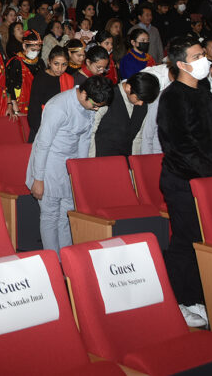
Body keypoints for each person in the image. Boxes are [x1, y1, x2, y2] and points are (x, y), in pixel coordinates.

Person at [158, 35, 212, 328]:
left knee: (207, 241)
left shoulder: (204, 93)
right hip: (182, 180)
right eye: (197, 56)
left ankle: (200, 296)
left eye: (203, 55)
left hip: (209, 179)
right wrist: (211, 172)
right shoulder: (172, 97)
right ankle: (181, 300)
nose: (204, 60)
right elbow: (180, 146)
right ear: (182, 65)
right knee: (186, 239)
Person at [25, 75, 114, 253]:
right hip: (49, 164)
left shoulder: (89, 105)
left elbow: (84, 140)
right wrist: (38, 179)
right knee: (50, 216)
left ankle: (67, 259)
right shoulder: (58, 106)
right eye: (95, 105)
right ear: (84, 94)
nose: (96, 109)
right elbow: (43, 144)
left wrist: (79, 174)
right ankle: (54, 261)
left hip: (70, 165)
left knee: (67, 215)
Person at [91, 72, 160, 157]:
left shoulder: (142, 102)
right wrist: (92, 159)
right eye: (138, 99)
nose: (141, 104)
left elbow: (137, 138)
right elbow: (91, 132)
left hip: (126, 159)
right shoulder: (108, 96)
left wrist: (134, 161)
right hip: (102, 157)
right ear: (128, 88)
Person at [26, 46, 74, 141]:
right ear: (49, 61)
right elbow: (34, 110)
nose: (60, 68)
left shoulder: (68, 79)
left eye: (64, 64)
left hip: (61, 129)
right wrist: (43, 132)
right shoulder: (40, 79)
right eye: (56, 64)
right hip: (41, 127)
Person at [5, 30, 44, 117]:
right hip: (19, 104)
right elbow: (9, 86)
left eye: (38, 50)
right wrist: (16, 110)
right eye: (33, 50)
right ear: (24, 46)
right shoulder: (16, 62)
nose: (35, 53)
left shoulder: (40, 62)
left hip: (36, 103)